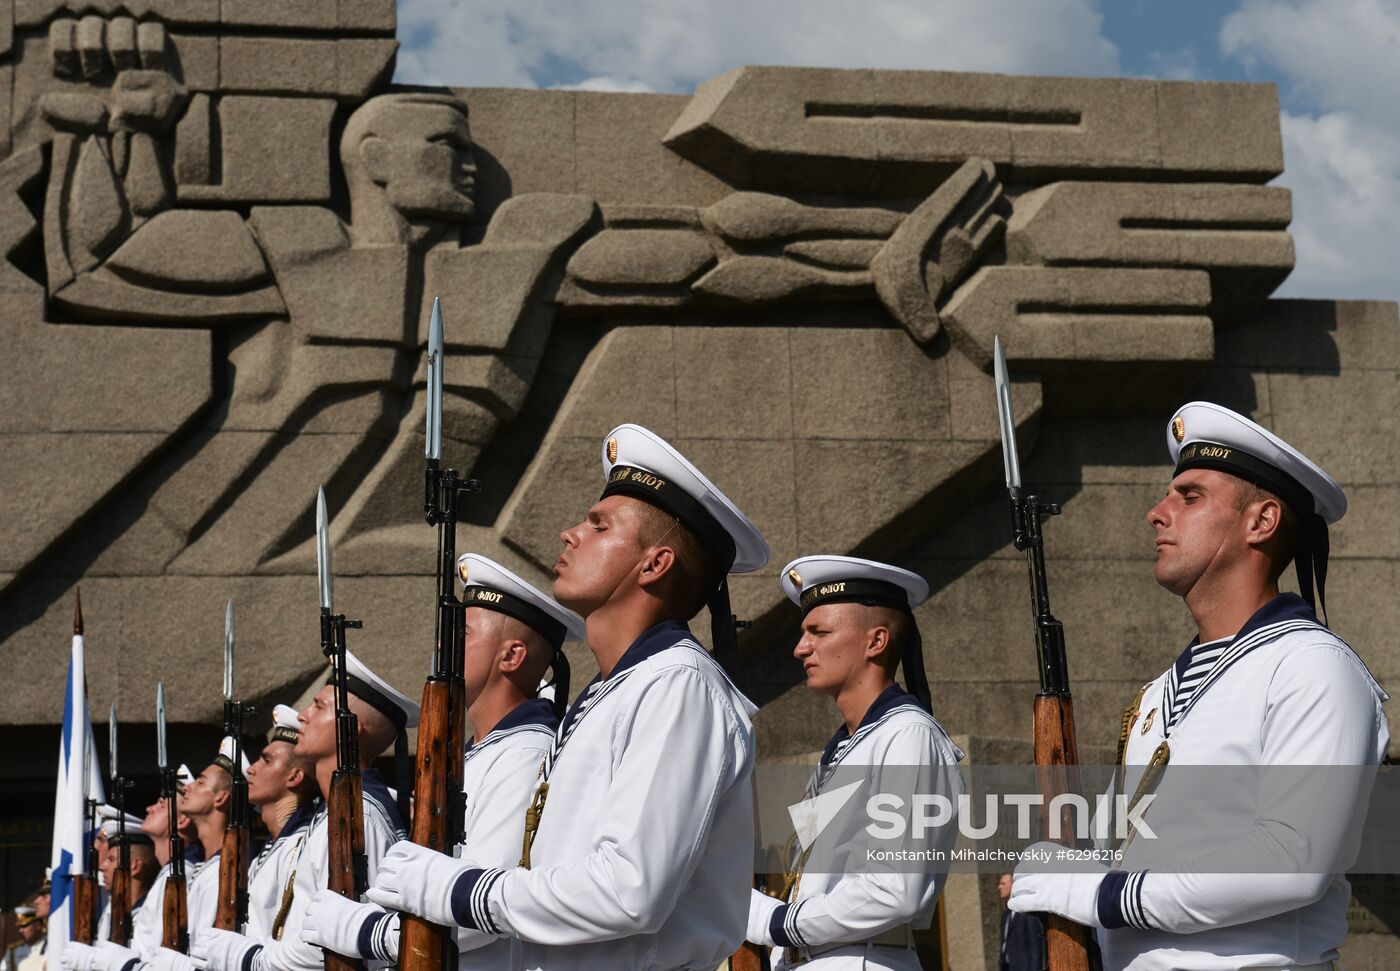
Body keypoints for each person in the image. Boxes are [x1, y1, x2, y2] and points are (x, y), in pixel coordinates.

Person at [361, 423, 769, 970]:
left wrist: (457, 890)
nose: (569, 533)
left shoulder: (679, 684)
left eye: (599, 526)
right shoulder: (616, 691)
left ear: (655, 564)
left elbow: (628, 891)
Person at [1009, 402, 1390, 970]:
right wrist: (1065, 870)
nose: (1156, 513)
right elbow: (1145, 845)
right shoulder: (1157, 692)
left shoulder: (1311, 667)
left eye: (1190, 497)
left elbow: (1292, 858)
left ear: (1261, 521)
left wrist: (1102, 896)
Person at [302, 553, 585, 968]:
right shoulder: (481, 751)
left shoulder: (526, 753)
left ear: (511, 656)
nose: (442, 645)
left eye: (463, 633)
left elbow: (486, 906)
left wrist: (370, 933)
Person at [746, 555, 963, 970]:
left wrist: (776, 922)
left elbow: (894, 890)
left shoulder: (908, 736)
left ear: (875, 641)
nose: (800, 648)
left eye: (819, 631)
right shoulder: (846, 747)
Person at [192, 652, 418, 971]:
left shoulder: (361, 813)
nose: (302, 716)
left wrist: (249, 959)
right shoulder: (335, 812)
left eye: (318, 706)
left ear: (351, 729)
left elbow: (342, 940)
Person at [243, 706, 317, 943]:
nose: (250, 769)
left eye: (266, 760)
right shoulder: (271, 849)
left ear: (294, 777)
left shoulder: (301, 846)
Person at [997, 873, 1042, 971]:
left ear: (1013, 885)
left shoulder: (1026, 912)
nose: (999, 887)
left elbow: (1034, 947)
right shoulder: (1005, 914)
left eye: (1003, 883)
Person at [1, 904, 45, 971]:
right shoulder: (13, 951)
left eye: (25, 925)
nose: (21, 930)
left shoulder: (50, 945)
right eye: (20, 926)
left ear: (38, 925)